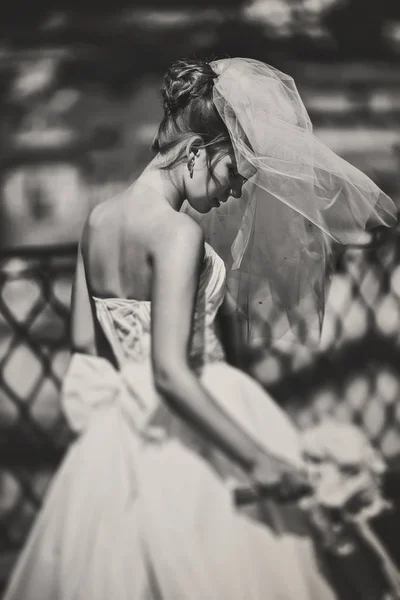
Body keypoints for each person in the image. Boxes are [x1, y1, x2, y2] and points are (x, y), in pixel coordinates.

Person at [3, 57, 396, 600]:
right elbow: (169, 371)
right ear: (195, 153)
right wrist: (256, 459)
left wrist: (107, 431)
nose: (234, 193)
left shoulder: (96, 220)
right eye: (234, 173)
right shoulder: (176, 234)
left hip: (119, 432)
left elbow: (83, 345)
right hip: (193, 423)